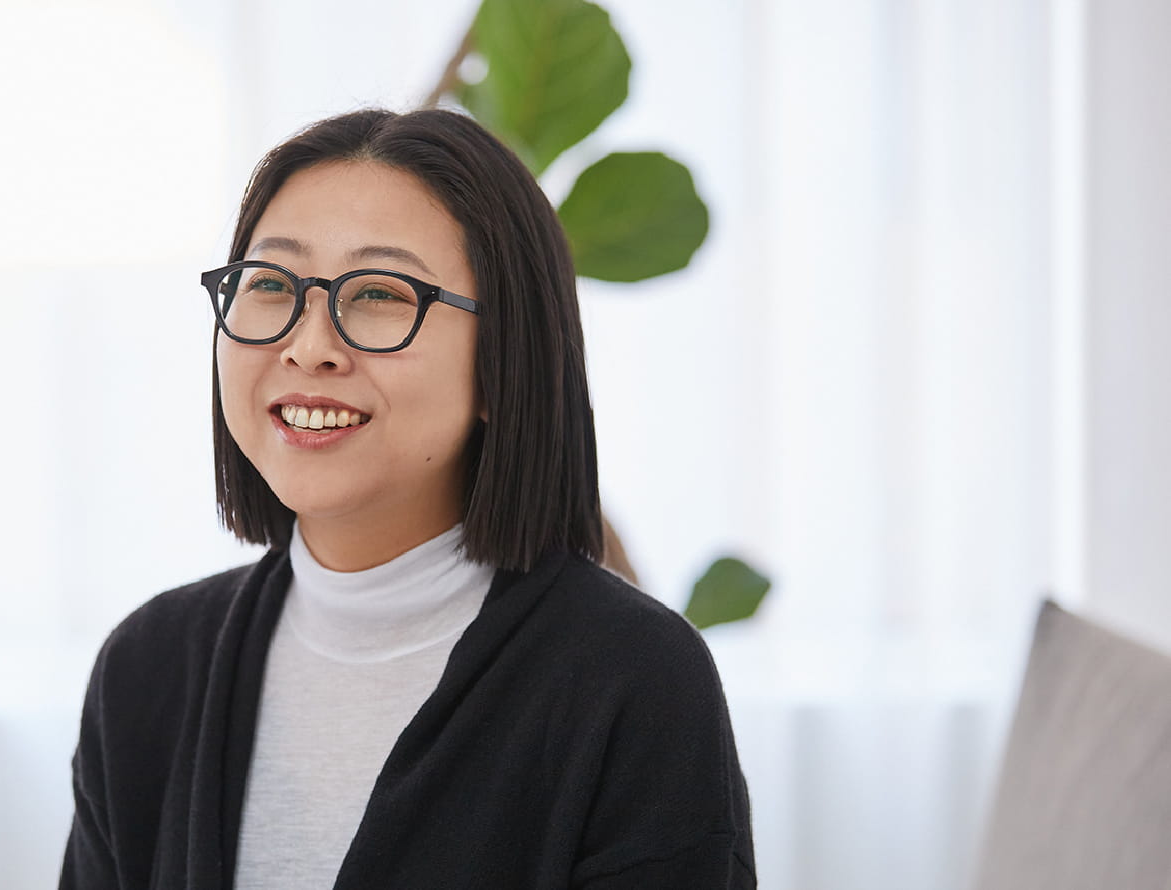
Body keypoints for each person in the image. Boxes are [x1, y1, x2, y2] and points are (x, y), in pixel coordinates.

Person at [59, 108, 755, 890]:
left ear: (501, 362)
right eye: (272, 285)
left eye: (380, 294)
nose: (309, 346)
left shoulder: (636, 680)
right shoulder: (147, 668)